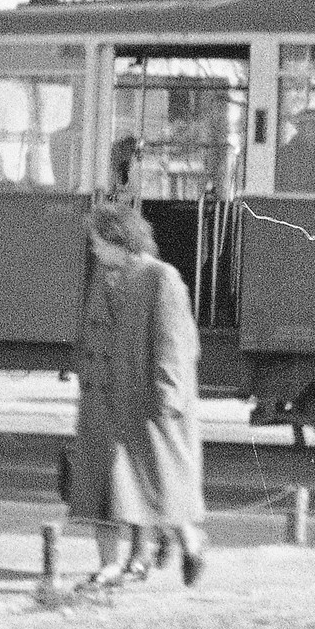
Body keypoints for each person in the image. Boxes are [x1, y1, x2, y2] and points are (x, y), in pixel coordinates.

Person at [69, 193, 207, 588]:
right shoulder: (102, 276)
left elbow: (176, 344)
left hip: (146, 403)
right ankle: (110, 564)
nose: (94, 249)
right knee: (106, 487)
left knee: (158, 486)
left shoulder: (161, 278)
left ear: (118, 239)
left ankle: (190, 544)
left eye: (98, 241)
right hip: (103, 402)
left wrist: (168, 398)